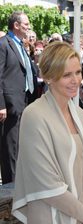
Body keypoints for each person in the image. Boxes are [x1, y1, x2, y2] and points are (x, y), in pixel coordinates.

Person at [12, 42, 83, 224]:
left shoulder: (79, 114)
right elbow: (47, 185)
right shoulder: (34, 115)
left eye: (78, 72)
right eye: (66, 75)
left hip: (82, 222)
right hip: (51, 222)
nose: (75, 81)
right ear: (49, 77)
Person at [0, 11, 38, 184]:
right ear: (16, 25)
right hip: (10, 105)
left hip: (24, 101)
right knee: (10, 147)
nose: (28, 27)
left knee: (20, 145)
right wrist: (1, 105)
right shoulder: (3, 45)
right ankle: (11, 185)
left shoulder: (21, 45)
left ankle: (19, 181)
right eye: (26, 24)